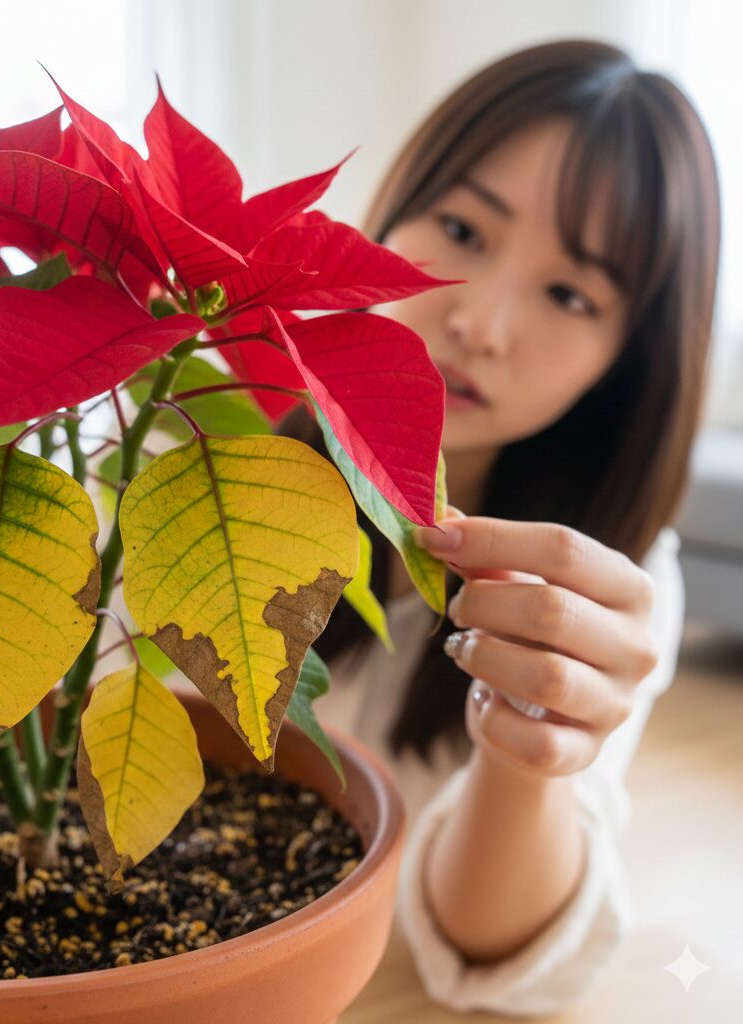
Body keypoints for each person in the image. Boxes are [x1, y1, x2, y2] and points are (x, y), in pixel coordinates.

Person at [287, 39, 721, 1015]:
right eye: (463, 229)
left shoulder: (606, 584)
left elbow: (486, 958)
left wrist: (528, 755)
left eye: (569, 294)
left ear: (627, 360)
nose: (480, 323)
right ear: (394, 207)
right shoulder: (212, 434)